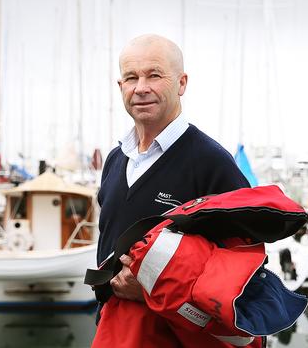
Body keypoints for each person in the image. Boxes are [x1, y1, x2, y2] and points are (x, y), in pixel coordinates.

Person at [96, 34, 250, 305]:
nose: (141, 88)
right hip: (113, 331)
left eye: (154, 75)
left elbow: (243, 267)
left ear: (182, 83)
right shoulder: (115, 160)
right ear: (120, 86)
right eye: (131, 78)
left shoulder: (212, 163)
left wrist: (153, 291)